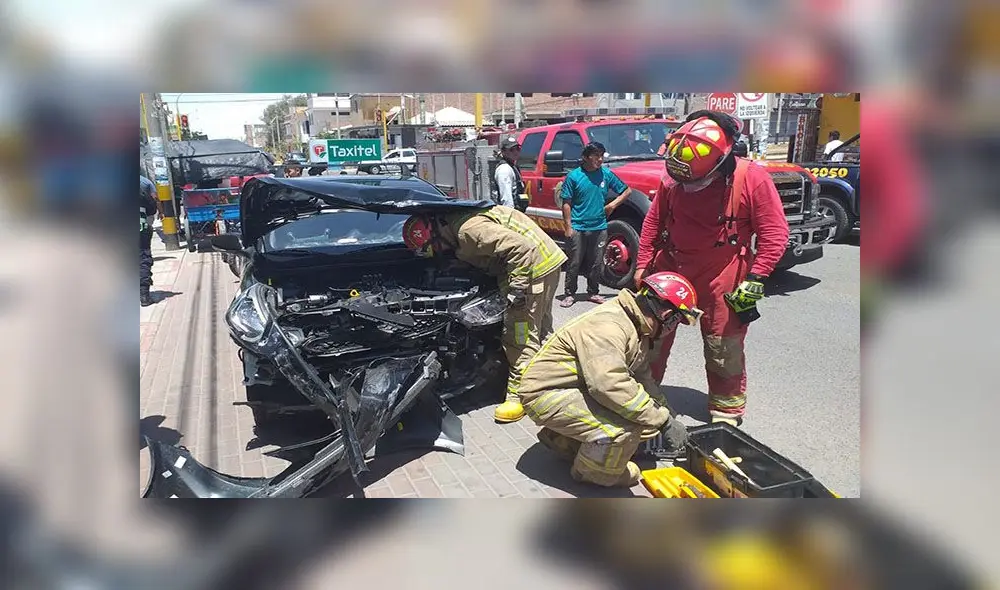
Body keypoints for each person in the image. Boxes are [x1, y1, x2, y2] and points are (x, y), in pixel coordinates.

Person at [635, 110, 789, 427]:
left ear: (722, 163)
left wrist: (756, 278)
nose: (690, 187)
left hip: (725, 271)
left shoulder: (752, 179)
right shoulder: (674, 177)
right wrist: (642, 265)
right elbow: (653, 223)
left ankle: (726, 410)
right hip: (673, 267)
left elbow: (775, 233)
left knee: (723, 346)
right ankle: (642, 397)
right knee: (651, 339)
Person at [516, 271, 703, 487]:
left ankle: (562, 442)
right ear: (666, 314)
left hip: (571, 388)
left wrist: (665, 412)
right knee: (627, 426)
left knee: (647, 420)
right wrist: (661, 420)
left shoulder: (636, 326)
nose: (672, 330)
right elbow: (609, 385)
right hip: (545, 395)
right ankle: (593, 474)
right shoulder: (609, 327)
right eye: (675, 322)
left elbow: (642, 376)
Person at [402, 205, 567, 423]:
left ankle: (521, 396)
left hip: (531, 270)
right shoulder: (455, 224)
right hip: (545, 263)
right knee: (540, 329)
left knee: (519, 335)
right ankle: (555, 378)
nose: (440, 253)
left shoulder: (469, 231)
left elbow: (521, 249)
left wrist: (518, 290)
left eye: (436, 249)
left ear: (436, 233)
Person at [559, 141, 632, 308]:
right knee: (574, 262)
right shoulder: (574, 177)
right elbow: (566, 203)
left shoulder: (606, 174)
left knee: (596, 261)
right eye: (596, 156)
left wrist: (613, 205)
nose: (600, 159)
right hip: (578, 226)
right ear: (585, 157)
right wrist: (568, 227)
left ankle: (593, 291)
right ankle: (570, 293)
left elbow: (627, 191)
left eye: (602, 155)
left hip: (599, 226)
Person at [139, 175, 160, 307]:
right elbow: (152, 207)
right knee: (143, 260)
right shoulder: (142, 182)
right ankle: (144, 296)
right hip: (140, 230)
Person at [494, 137, 526, 210]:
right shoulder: (504, 169)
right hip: (511, 212)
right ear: (503, 152)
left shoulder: (512, 166)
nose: (515, 152)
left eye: (517, 148)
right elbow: (506, 197)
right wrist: (510, 215)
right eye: (511, 150)